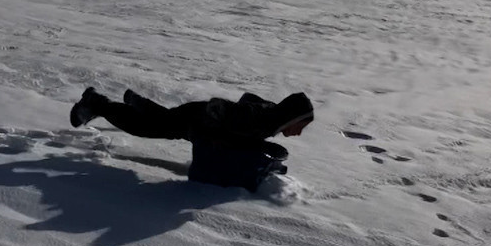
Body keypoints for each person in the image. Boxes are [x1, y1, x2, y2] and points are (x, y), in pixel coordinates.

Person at [69, 87, 314, 146]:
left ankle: (135, 102)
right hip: (196, 120)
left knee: (156, 122)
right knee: (147, 127)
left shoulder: (272, 114)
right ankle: (97, 103)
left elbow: (248, 97)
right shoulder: (266, 119)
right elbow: (232, 111)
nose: (298, 133)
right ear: (292, 118)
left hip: (197, 119)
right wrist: (210, 130)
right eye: (300, 126)